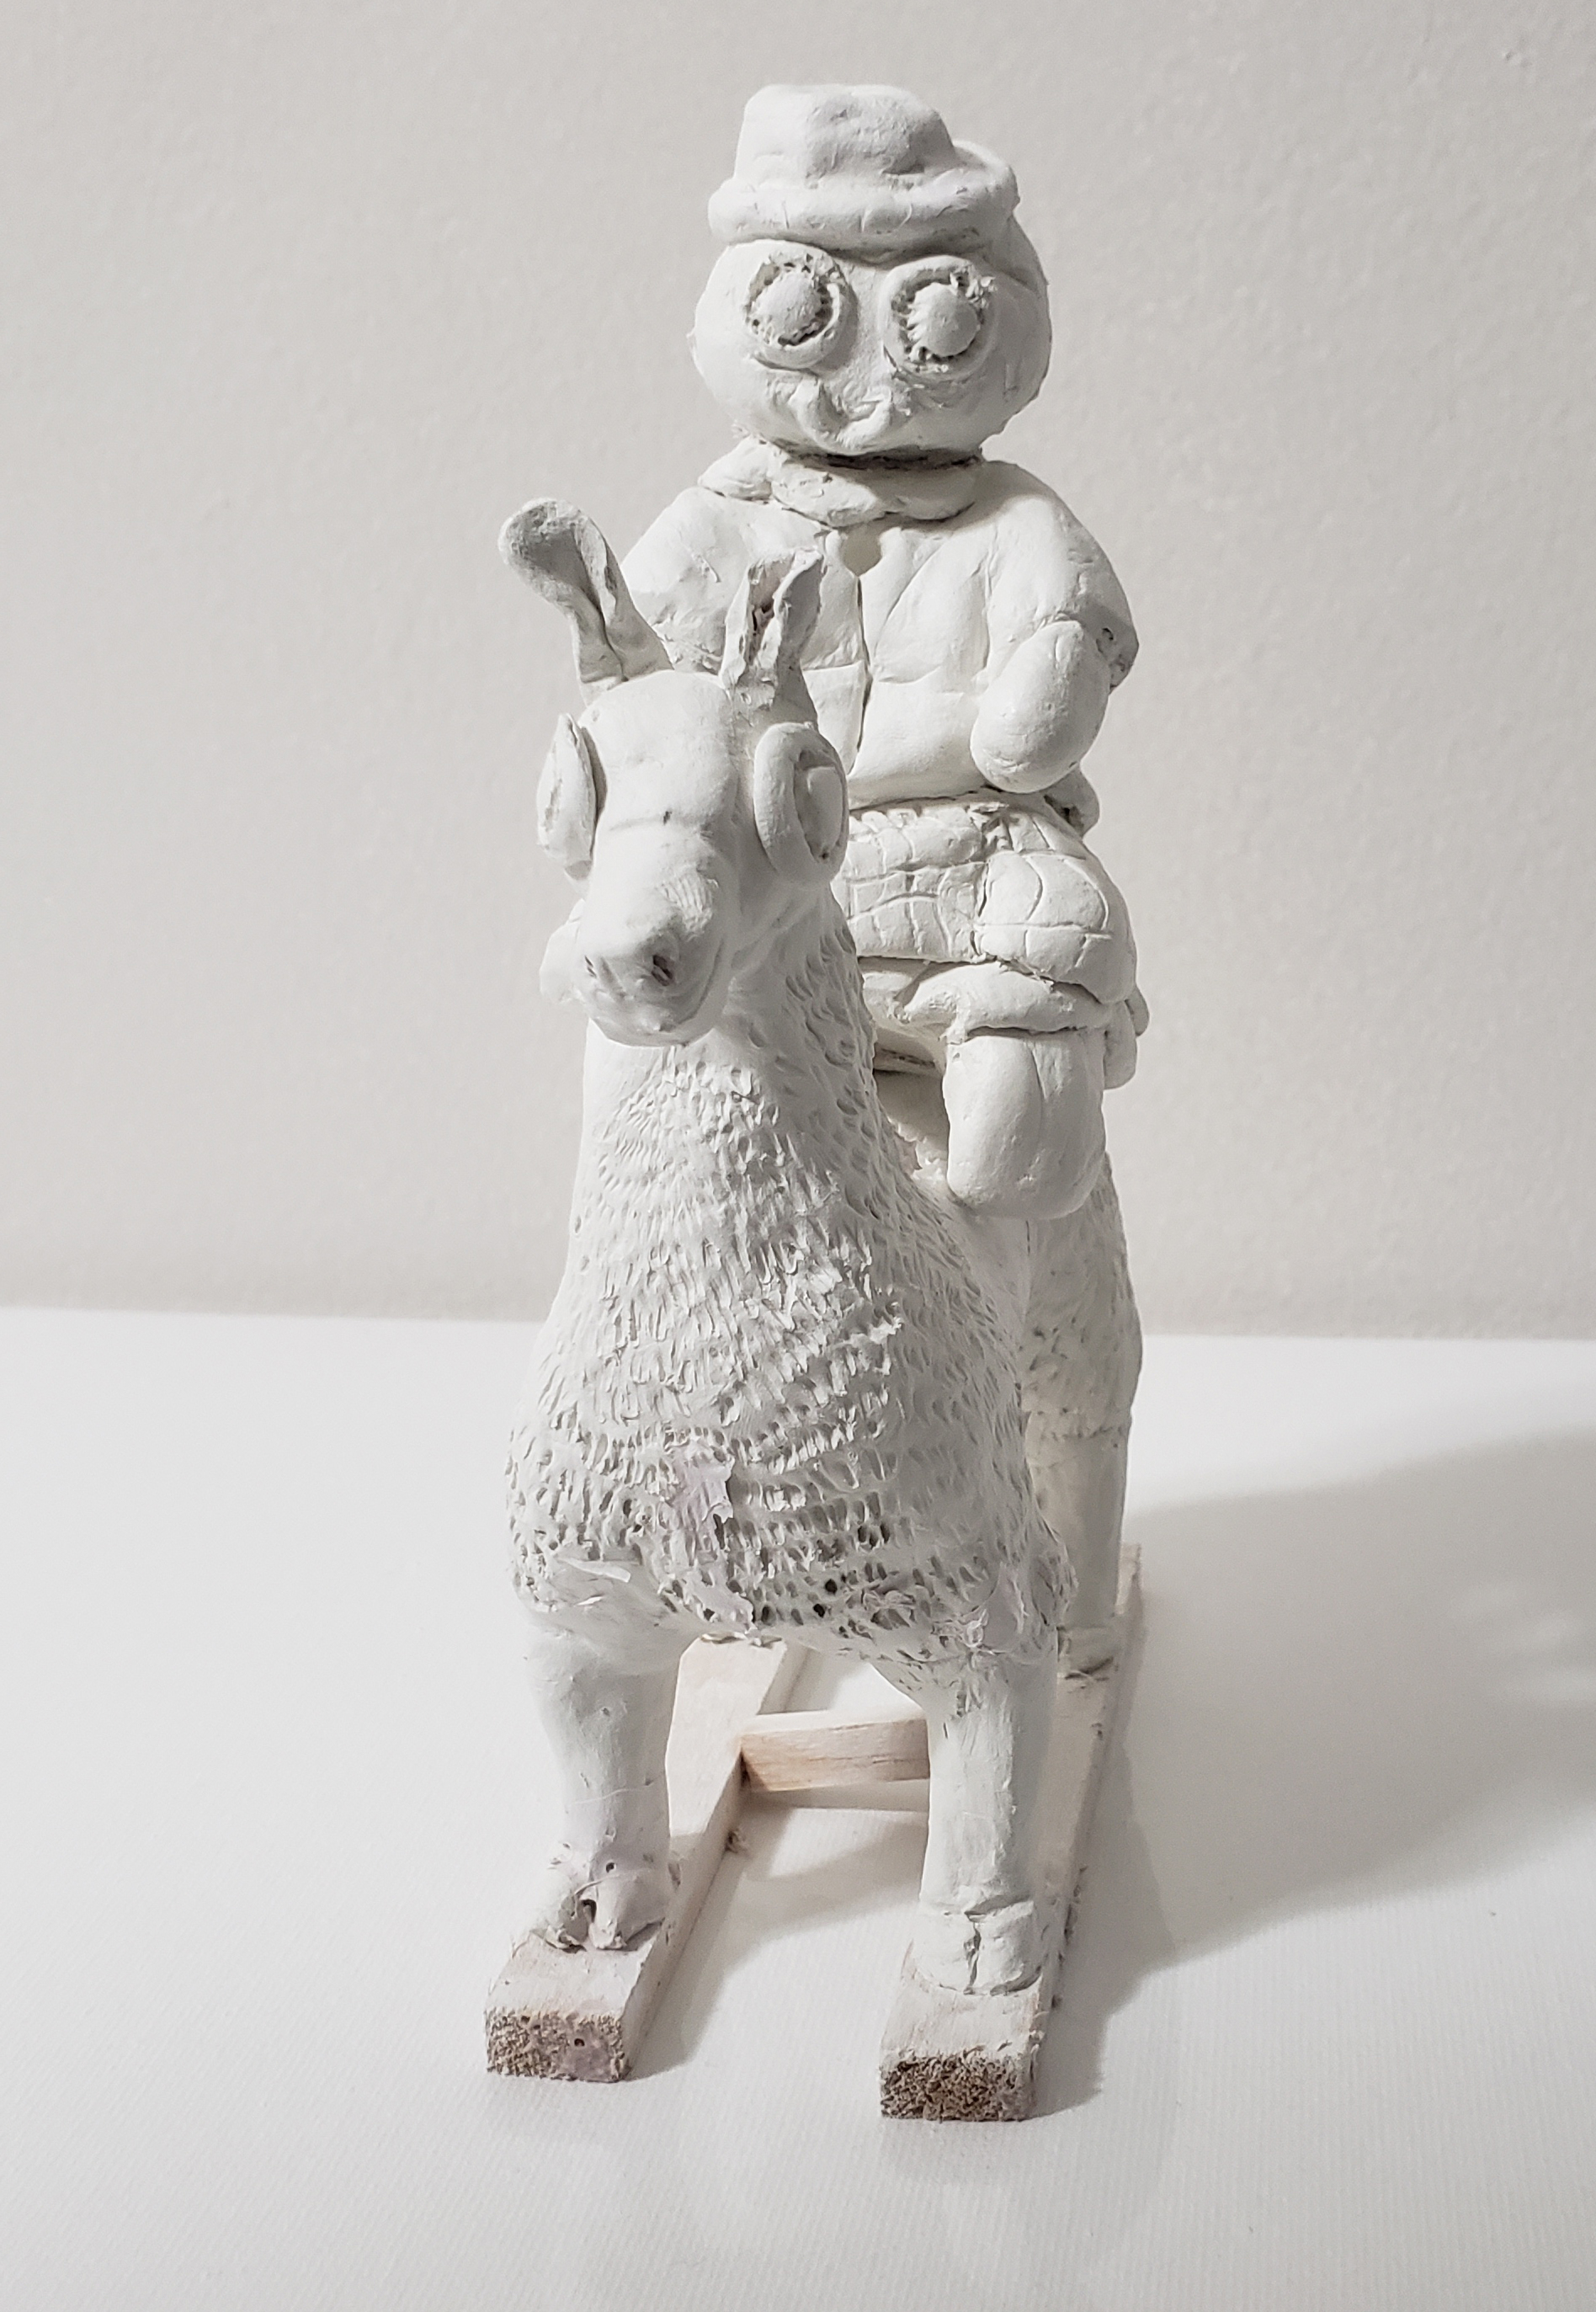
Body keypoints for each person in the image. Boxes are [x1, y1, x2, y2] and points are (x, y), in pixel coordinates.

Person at [619, 84, 1145, 1661]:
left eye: (926, 311)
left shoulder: (1011, 518)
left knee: (1055, 948)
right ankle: (763, 1517)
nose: (860, 372)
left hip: (966, 855)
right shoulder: (719, 516)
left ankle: (1000, 1172)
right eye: (802, 311)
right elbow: (639, 665)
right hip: (782, 877)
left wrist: (1052, 667)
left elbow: (1065, 643)